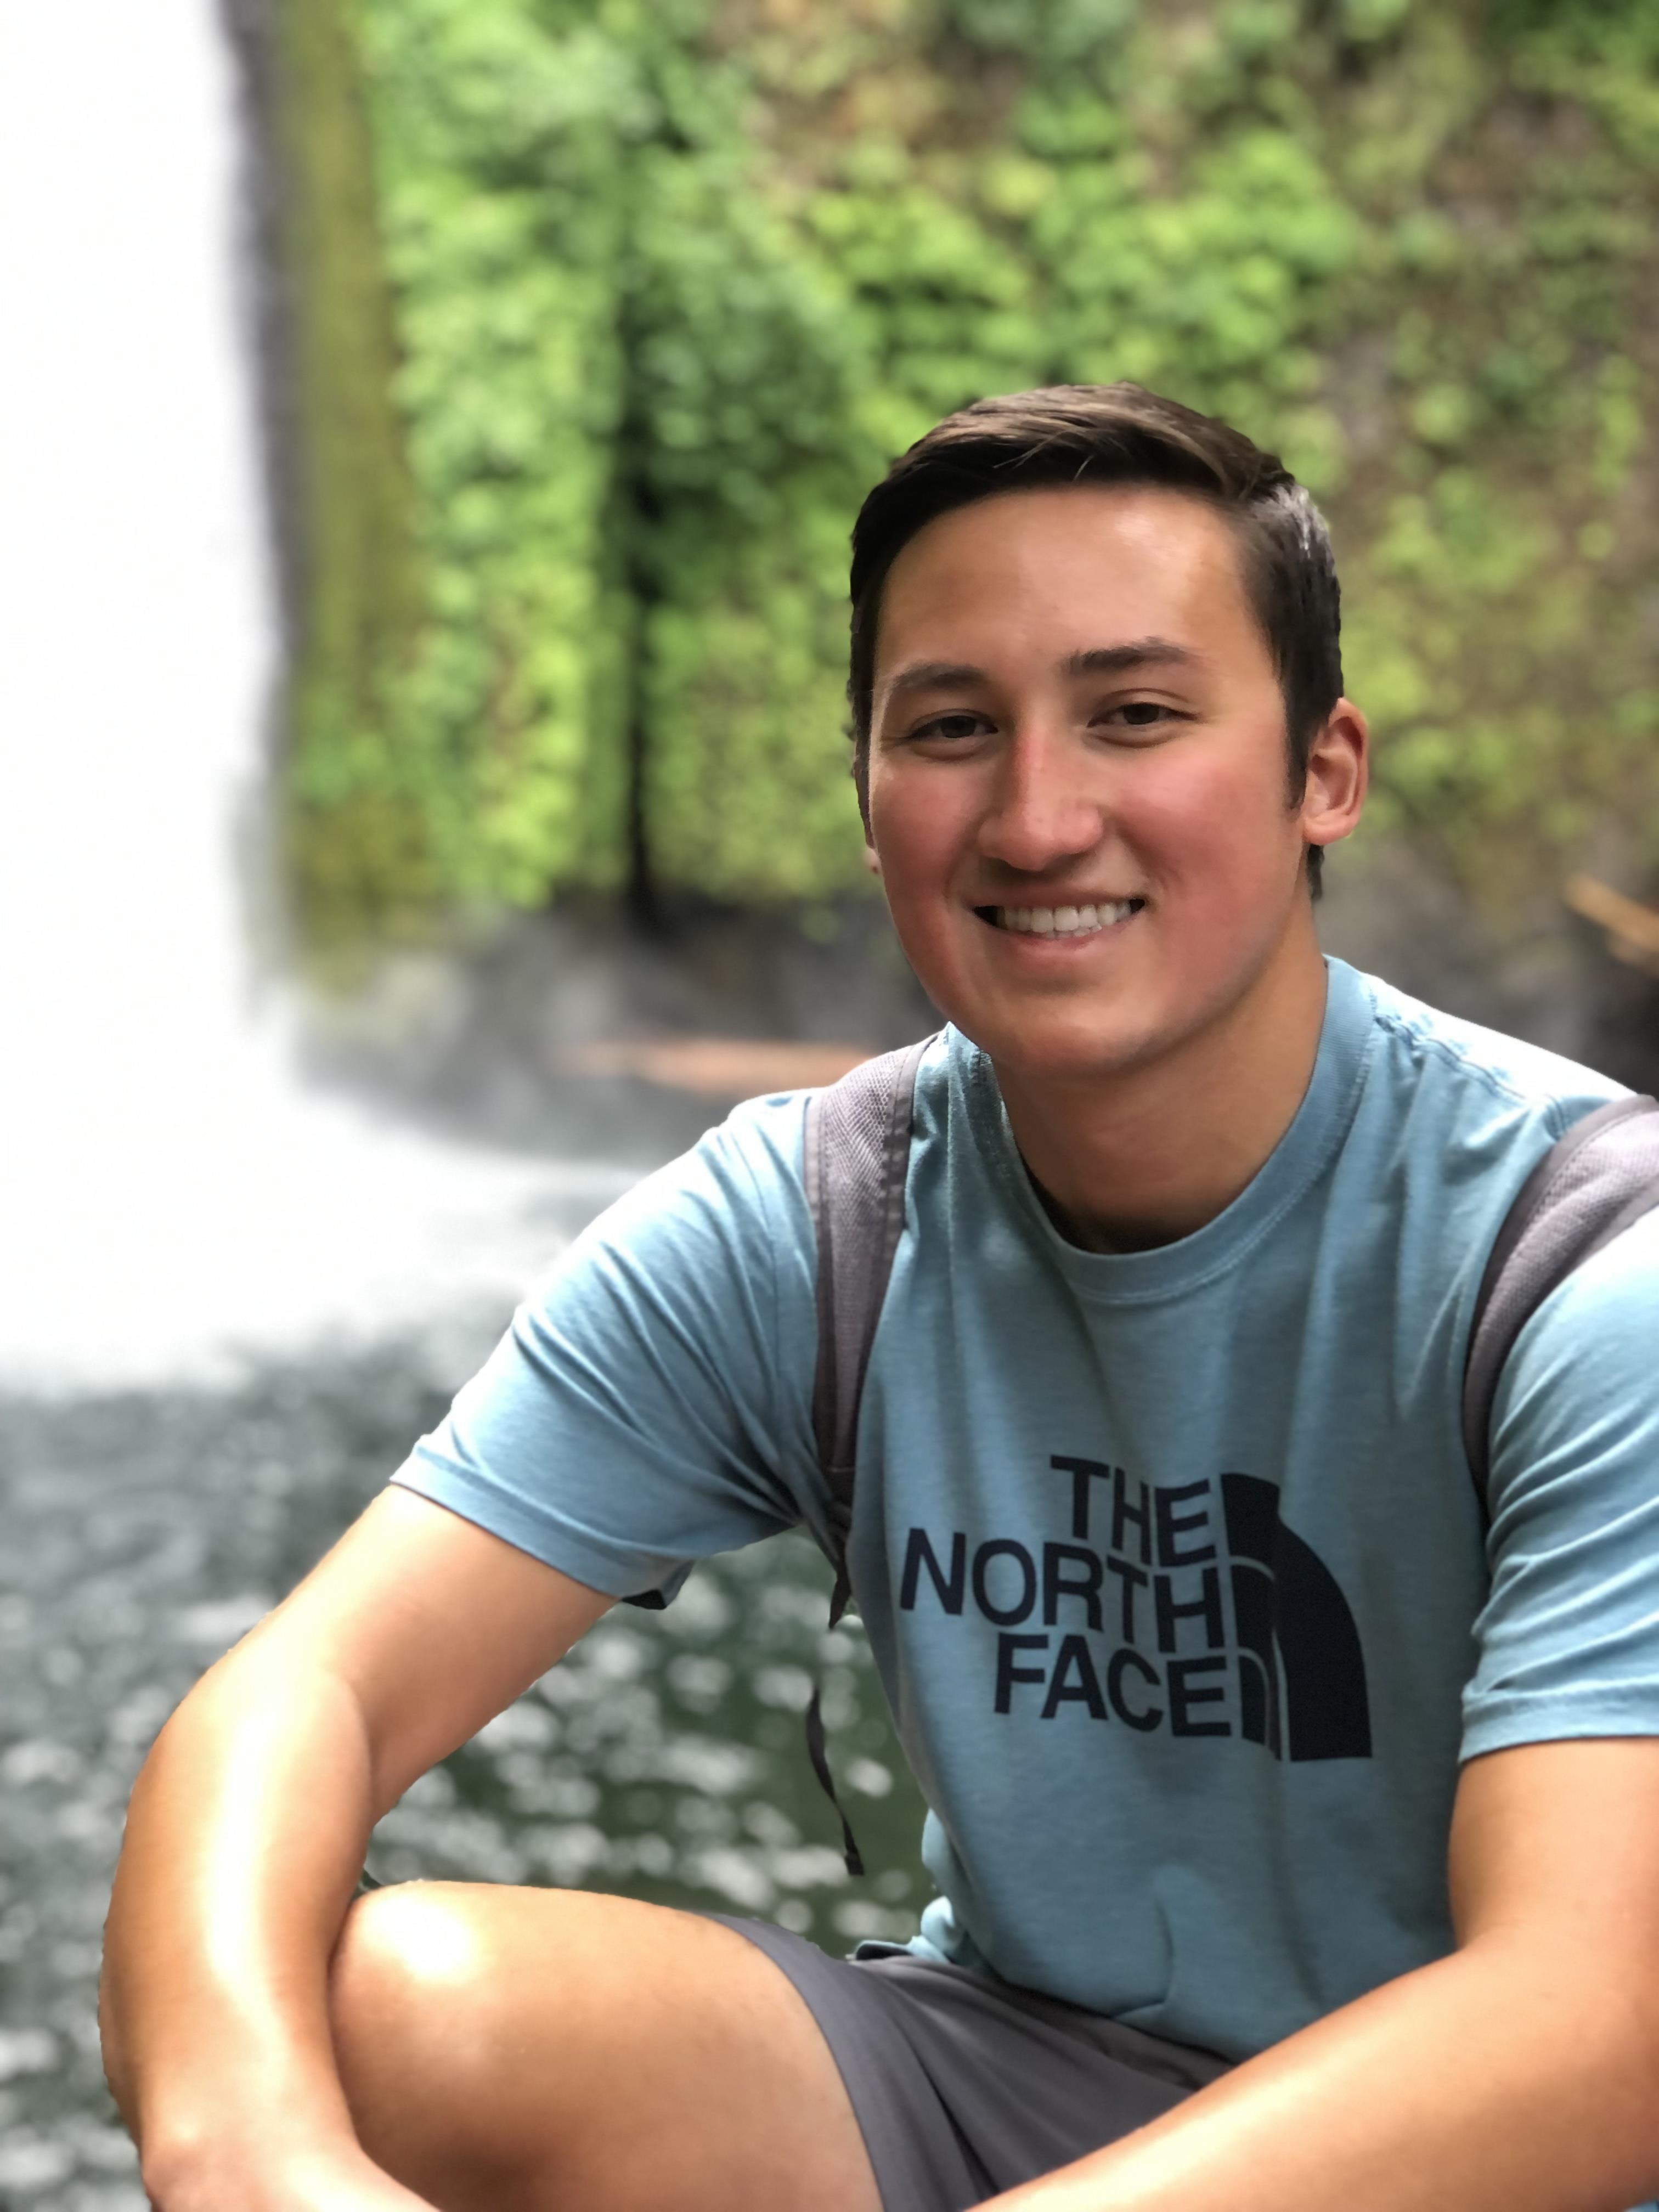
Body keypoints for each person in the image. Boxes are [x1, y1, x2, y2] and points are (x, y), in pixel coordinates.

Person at [100, 383, 1659, 2212]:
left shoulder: (1575, 1266)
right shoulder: (817, 1222)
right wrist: (249, 2154)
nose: (1037, 814)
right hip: (1007, 2080)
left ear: (1326, 768)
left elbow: (1598, 2021)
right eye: (951, 730)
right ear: (865, 792)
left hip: (1477, 2161)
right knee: (375, 2015)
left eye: (1135, 715)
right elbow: (308, 1688)